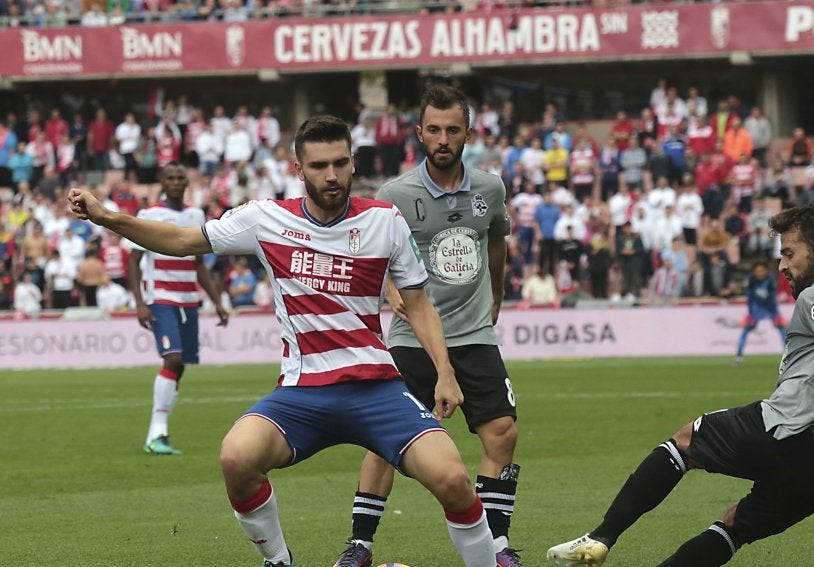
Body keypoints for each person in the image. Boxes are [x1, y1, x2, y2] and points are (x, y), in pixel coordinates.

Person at [69, 115, 499, 567]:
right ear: (298, 168)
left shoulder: (384, 220)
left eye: (339, 163)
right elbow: (179, 240)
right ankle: (277, 559)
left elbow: (419, 304)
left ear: (353, 162)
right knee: (236, 458)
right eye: (318, 166)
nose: (330, 176)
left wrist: (445, 372)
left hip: (378, 389)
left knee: (453, 478)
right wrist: (107, 217)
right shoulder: (266, 219)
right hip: (302, 393)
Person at [547, 204, 814, 567]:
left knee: (684, 442)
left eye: (790, 253)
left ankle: (600, 538)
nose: (782, 265)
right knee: (734, 526)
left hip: (791, 431)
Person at [334, 84, 523, 567]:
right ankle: (360, 544)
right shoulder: (394, 194)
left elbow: (496, 242)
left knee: (502, 433)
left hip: (474, 334)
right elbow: (370, 257)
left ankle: (496, 545)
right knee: (385, 439)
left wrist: (496, 297)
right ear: (419, 133)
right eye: (434, 130)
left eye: (452, 130)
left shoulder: (490, 188)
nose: (443, 139)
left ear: (468, 134)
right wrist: (390, 292)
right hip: (413, 338)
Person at [127, 163, 229, 455]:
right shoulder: (148, 215)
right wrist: (140, 302)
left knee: (180, 365)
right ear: (161, 181)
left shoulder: (195, 215)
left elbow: (198, 263)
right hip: (161, 299)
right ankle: (155, 433)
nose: (175, 182)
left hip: (188, 301)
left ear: (186, 182)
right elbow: (133, 261)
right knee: (172, 359)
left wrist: (217, 301)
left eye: (179, 178)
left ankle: (160, 434)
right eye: (169, 178)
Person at [734, 261, 787, 366]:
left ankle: (788, 357)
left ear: (766, 271)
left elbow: (772, 298)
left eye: (762, 270)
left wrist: (776, 314)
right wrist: (751, 314)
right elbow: (750, 298)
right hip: (756, 309)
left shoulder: (771, 279)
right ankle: (738, 356)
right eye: (757, 271)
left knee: (783, 331)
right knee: (745, 330)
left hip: (770, 308)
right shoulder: (751, 280)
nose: (760, 273)